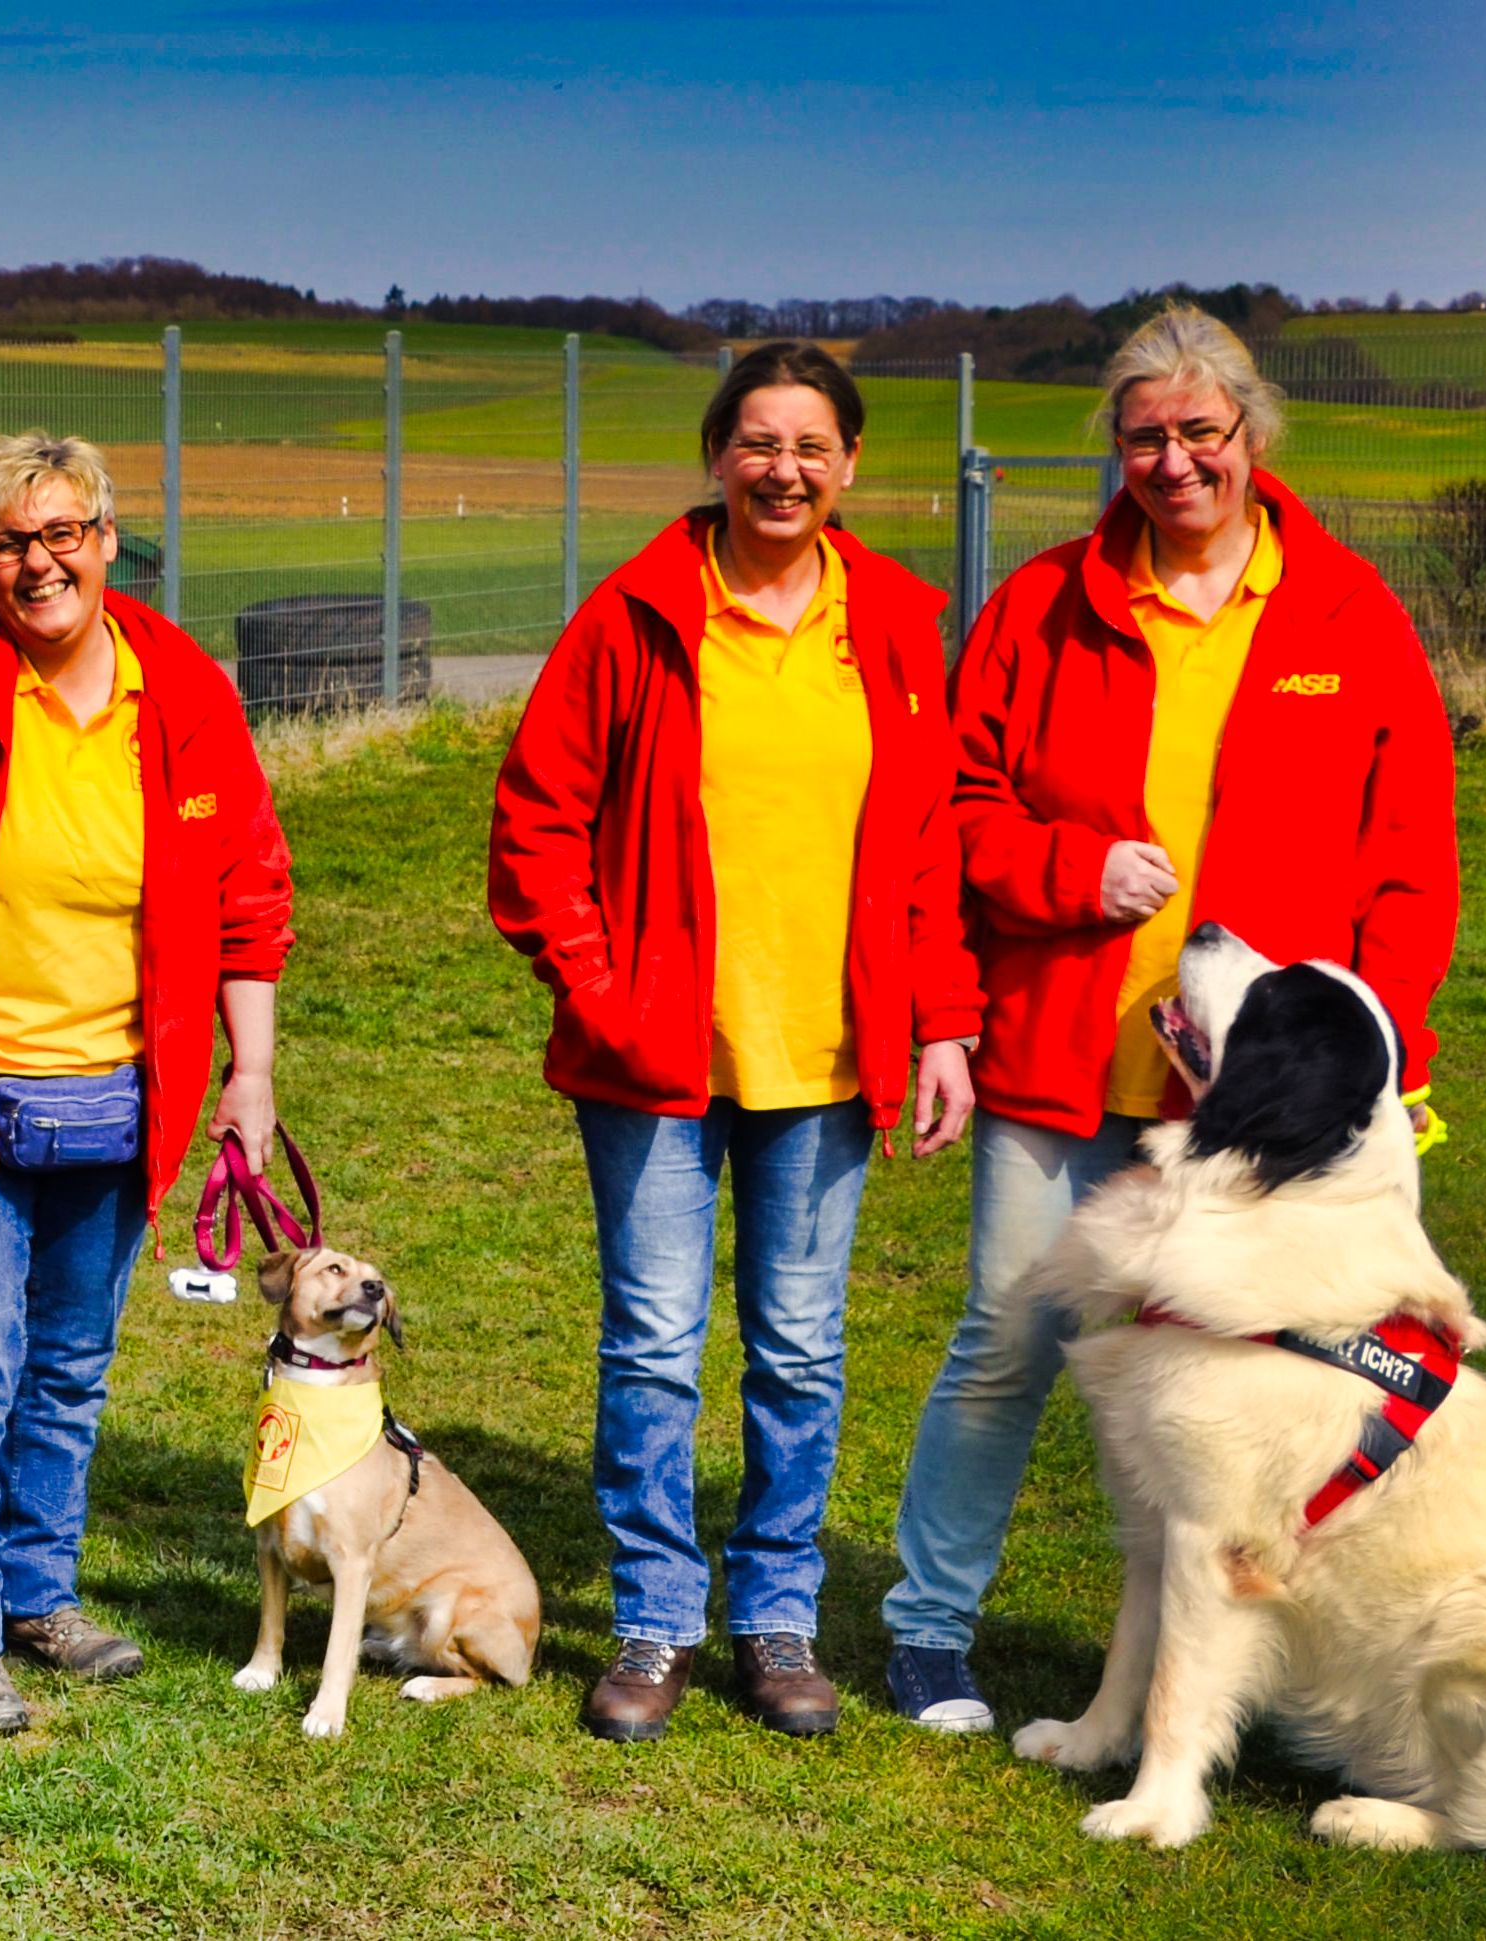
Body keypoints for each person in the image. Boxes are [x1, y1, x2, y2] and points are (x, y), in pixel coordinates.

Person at [879, 304, 1460, 1732]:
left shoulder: (1347, 616)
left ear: (1251, 435)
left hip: (1257, 1109)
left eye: (1199, 432)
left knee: (1269, 1390)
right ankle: (925, 1628)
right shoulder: (1039, 604)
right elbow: (956, 811)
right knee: (1006, 1341)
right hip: (1065, 1057)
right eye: (1142, 436)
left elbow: (1410, 863)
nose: (1172, 461)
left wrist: (1380, 1070)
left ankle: (1293, 1669)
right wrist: (1068, 868)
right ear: (1114, 447)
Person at [490, 342, 982, 1743]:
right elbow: (533, 822)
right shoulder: (638, 613)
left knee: (800, 1350)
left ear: (848, 466)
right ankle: (653, 1614)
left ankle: (774, 1615)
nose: (783, 468)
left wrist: (941, 1019)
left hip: (827, 1058)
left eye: (810, 446)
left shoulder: (890, 620)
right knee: (652, 1344)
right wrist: (598, 986)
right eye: (757, 442)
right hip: (654, 1057)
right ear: (716, 457)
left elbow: (927, 846)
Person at [0, 431, 294, 1734]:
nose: (38, 564)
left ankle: (37, 1587)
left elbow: (248, 887)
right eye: (7, 543)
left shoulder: (181, 687)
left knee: (72, 1363)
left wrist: (245, 1072)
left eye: (61, 535)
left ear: (105, 537)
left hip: (119, 1096)